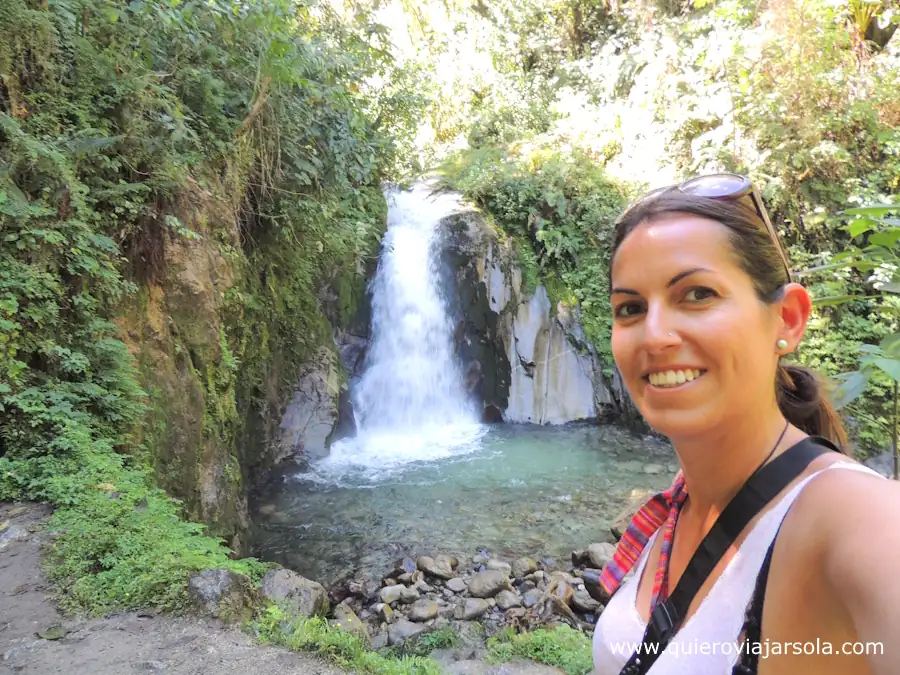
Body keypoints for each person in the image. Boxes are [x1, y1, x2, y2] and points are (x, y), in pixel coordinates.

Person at [591, 173, 900, 675]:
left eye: (696, 294)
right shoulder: (674, 510)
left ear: (788, 319)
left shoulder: (852, 516)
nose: (654, 335)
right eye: (630, 308)